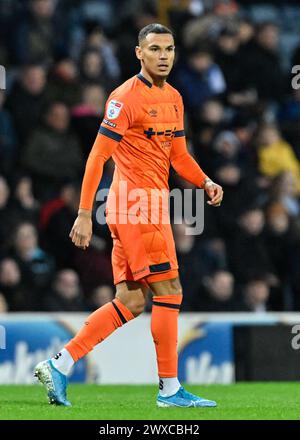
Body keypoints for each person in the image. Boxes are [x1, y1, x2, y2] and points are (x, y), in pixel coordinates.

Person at [34, 23, 223, 408]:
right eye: (154, 49)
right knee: (170, 291)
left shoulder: (174, 97)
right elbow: (97, 156)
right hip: (137, 206)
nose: (164, 55)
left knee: (132, 301)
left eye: (169, 49)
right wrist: (84, 213)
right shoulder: (124, 98)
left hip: (143, 207)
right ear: (139, 53)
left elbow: (178, 156)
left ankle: (60, 363)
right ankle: (170, 391)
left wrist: (204, 181)